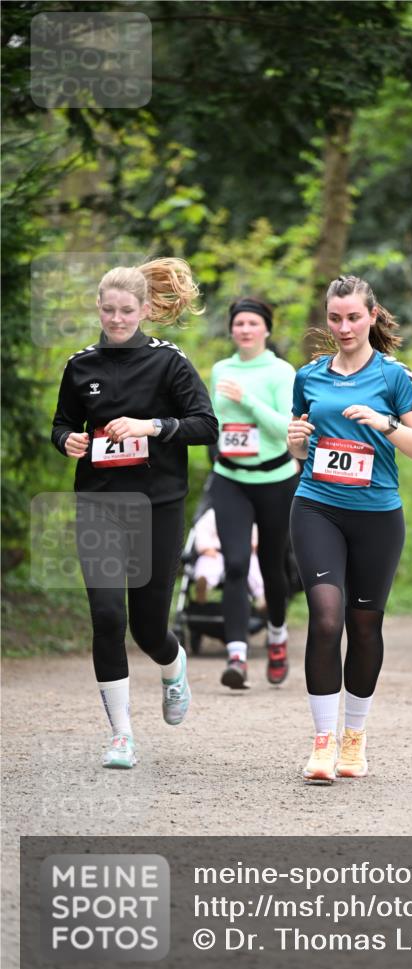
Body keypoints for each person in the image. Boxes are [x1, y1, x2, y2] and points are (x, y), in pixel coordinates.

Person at [51, 258, 218, 769]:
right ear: (97, 308)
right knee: (106, 616)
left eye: (127, 310)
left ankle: (173, 665)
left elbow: (205, 426)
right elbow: (61, 424)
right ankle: (122, 735)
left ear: (144, 310)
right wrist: (69, 441)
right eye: (108, 310)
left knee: (147, 629)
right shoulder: (80, 365)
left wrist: (152, 427)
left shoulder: (169, 363)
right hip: (98, 504)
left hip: (157, 507)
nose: (117, 319)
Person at [287, 274, 412, 782]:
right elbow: (301, 451)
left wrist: (385, 424)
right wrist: (295, 441)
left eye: (353, 317)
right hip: (317, 506)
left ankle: (355, 739)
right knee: (326, 619)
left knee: (364, 625)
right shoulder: (308, 376)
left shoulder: (395, 377)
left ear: (373, 316)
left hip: (376, 515)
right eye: (335, 318)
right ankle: (323, 743)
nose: (344, 327)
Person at [210, 297, 300, 689]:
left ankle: (277, 636)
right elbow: (215, 422)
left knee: (272, 566)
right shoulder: (220, 369)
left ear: (266, 329)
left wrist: (247, 400)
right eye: (239, 323)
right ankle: (237, 656)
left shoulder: (281, 372)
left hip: (275, 479)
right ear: (231, 329)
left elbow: (286, 428)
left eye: (252, 323)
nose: (245, 329)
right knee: (233, 564)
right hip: (230, 477)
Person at [192, 508, 265, 612]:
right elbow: (201, 530)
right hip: (216, 551)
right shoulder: (212, 514)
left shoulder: (248, 515)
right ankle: (204, 585)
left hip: (243, 553)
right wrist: (206, 548)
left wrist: (254, 544)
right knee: (208, 563)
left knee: (254, 566)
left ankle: (261, 595)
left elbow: (255, 536)